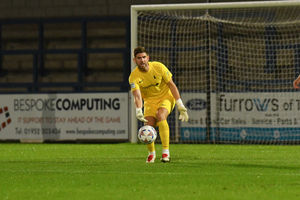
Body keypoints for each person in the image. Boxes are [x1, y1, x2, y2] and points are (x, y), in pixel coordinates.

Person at [129, 46, 189, 163]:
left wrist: (180, 104)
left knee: (161, 115)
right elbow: (137, 95)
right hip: (150, 101)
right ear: (134, 60)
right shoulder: (133, 77)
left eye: (144, 57)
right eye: (139, 58)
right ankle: (151, 154)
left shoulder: (158, 67)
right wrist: (138, 110)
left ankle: (165, 153)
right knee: (148, 126)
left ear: (148, 58)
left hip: (166, 97)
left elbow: (171, 85)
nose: (142, 60)